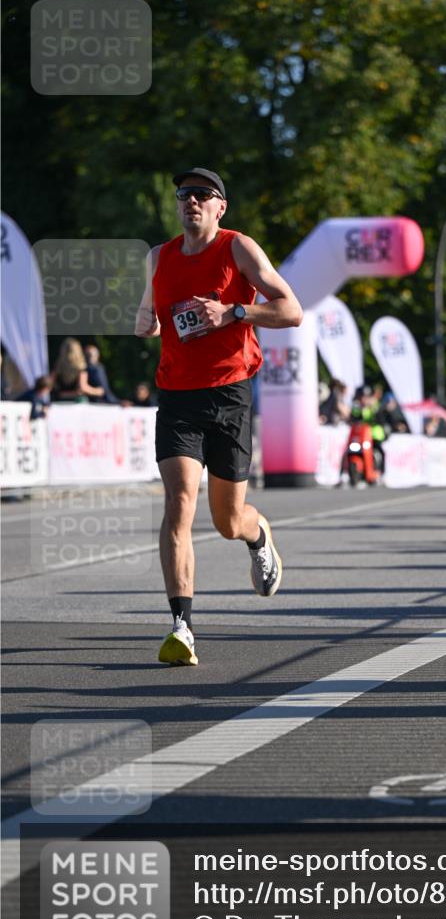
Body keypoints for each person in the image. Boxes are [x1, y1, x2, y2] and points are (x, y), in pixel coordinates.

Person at [135, 166, 302, 666]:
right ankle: (181, 626)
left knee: (227, 521)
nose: (192, 201)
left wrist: (234, 312)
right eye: (185, 194)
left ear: (219, 206)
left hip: (229, 395)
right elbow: (149, 314)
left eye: (203, 195)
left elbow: (291, 310)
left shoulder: (239, 249)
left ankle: (258, 535)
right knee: (179, 504)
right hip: (177, 397)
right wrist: (144, 322)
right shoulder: (157, 257)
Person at [51, 338, 105, 403]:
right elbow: (83, 387)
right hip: (76, 401)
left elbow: (51, 385)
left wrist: (61, 394)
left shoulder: (57, 367)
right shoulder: (81, 368)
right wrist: (97, 391)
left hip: (59, 400)